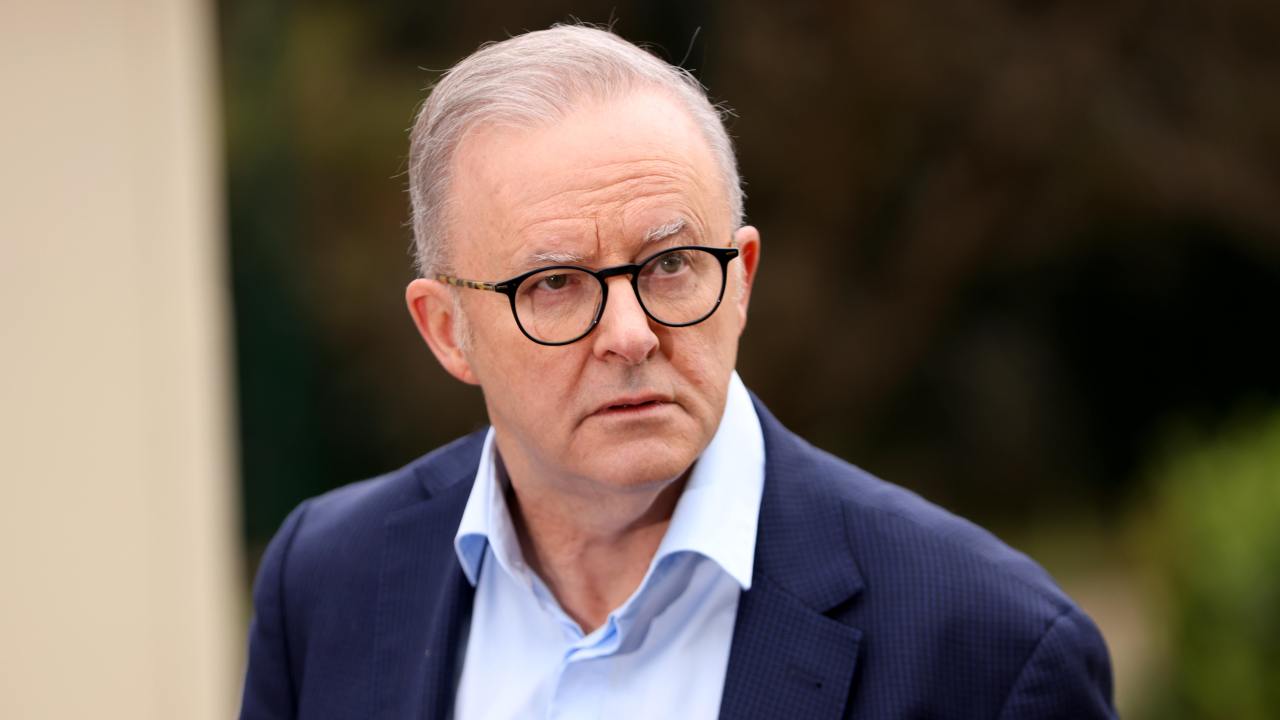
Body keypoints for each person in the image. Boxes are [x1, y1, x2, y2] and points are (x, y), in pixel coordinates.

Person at [239, 24, 1116, 720]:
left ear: (740, 279)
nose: (630, 334)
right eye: (553, 283)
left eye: (668, 267)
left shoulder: (990, 650)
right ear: (447, 331)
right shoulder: (328, 581)